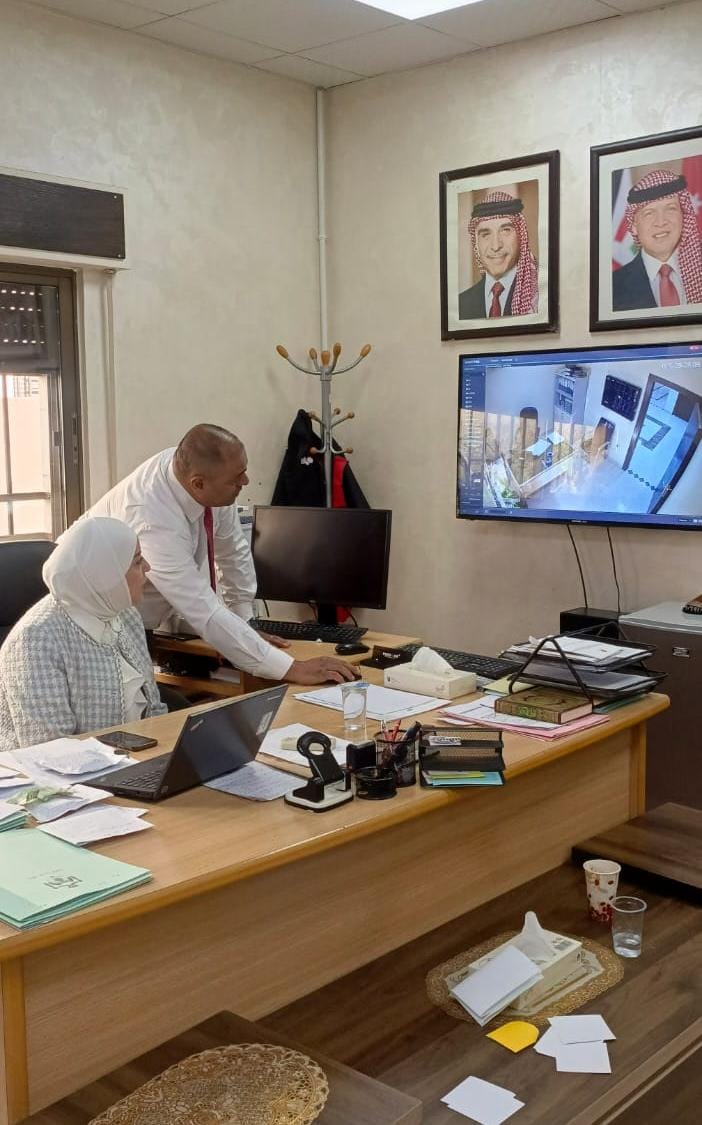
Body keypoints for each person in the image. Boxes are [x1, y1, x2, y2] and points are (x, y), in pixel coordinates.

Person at [86, 424, 356, 685]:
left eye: (243, 471)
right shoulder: (152, 520)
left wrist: (246, 624)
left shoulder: (198, 475)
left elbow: (233, 552)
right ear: (198, 484)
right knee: (143, 708)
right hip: (102, 629)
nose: (245, 481)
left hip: (140, 619)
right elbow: (203, 609)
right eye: (237, 478)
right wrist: (292, 668)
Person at [0, 518, 167, 751]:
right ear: (105, 574)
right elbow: (50, 749)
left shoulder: (126, 615)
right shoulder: (36, 640)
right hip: (66, 770)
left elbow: (155, 710)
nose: (147, 567)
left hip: (135, 759)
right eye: (137, 561)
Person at [613, 168, 702, 312]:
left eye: (670, 209)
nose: (661, 222)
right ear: (634, 226)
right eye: (649, 213)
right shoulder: (613, 287)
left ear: (684, 215)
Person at [458, 190, 539, 320]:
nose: (495, 246)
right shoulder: (462, 303)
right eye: (485, 234)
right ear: (476, 244)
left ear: (521, 236)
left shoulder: (539, 295)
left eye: (505, 230)